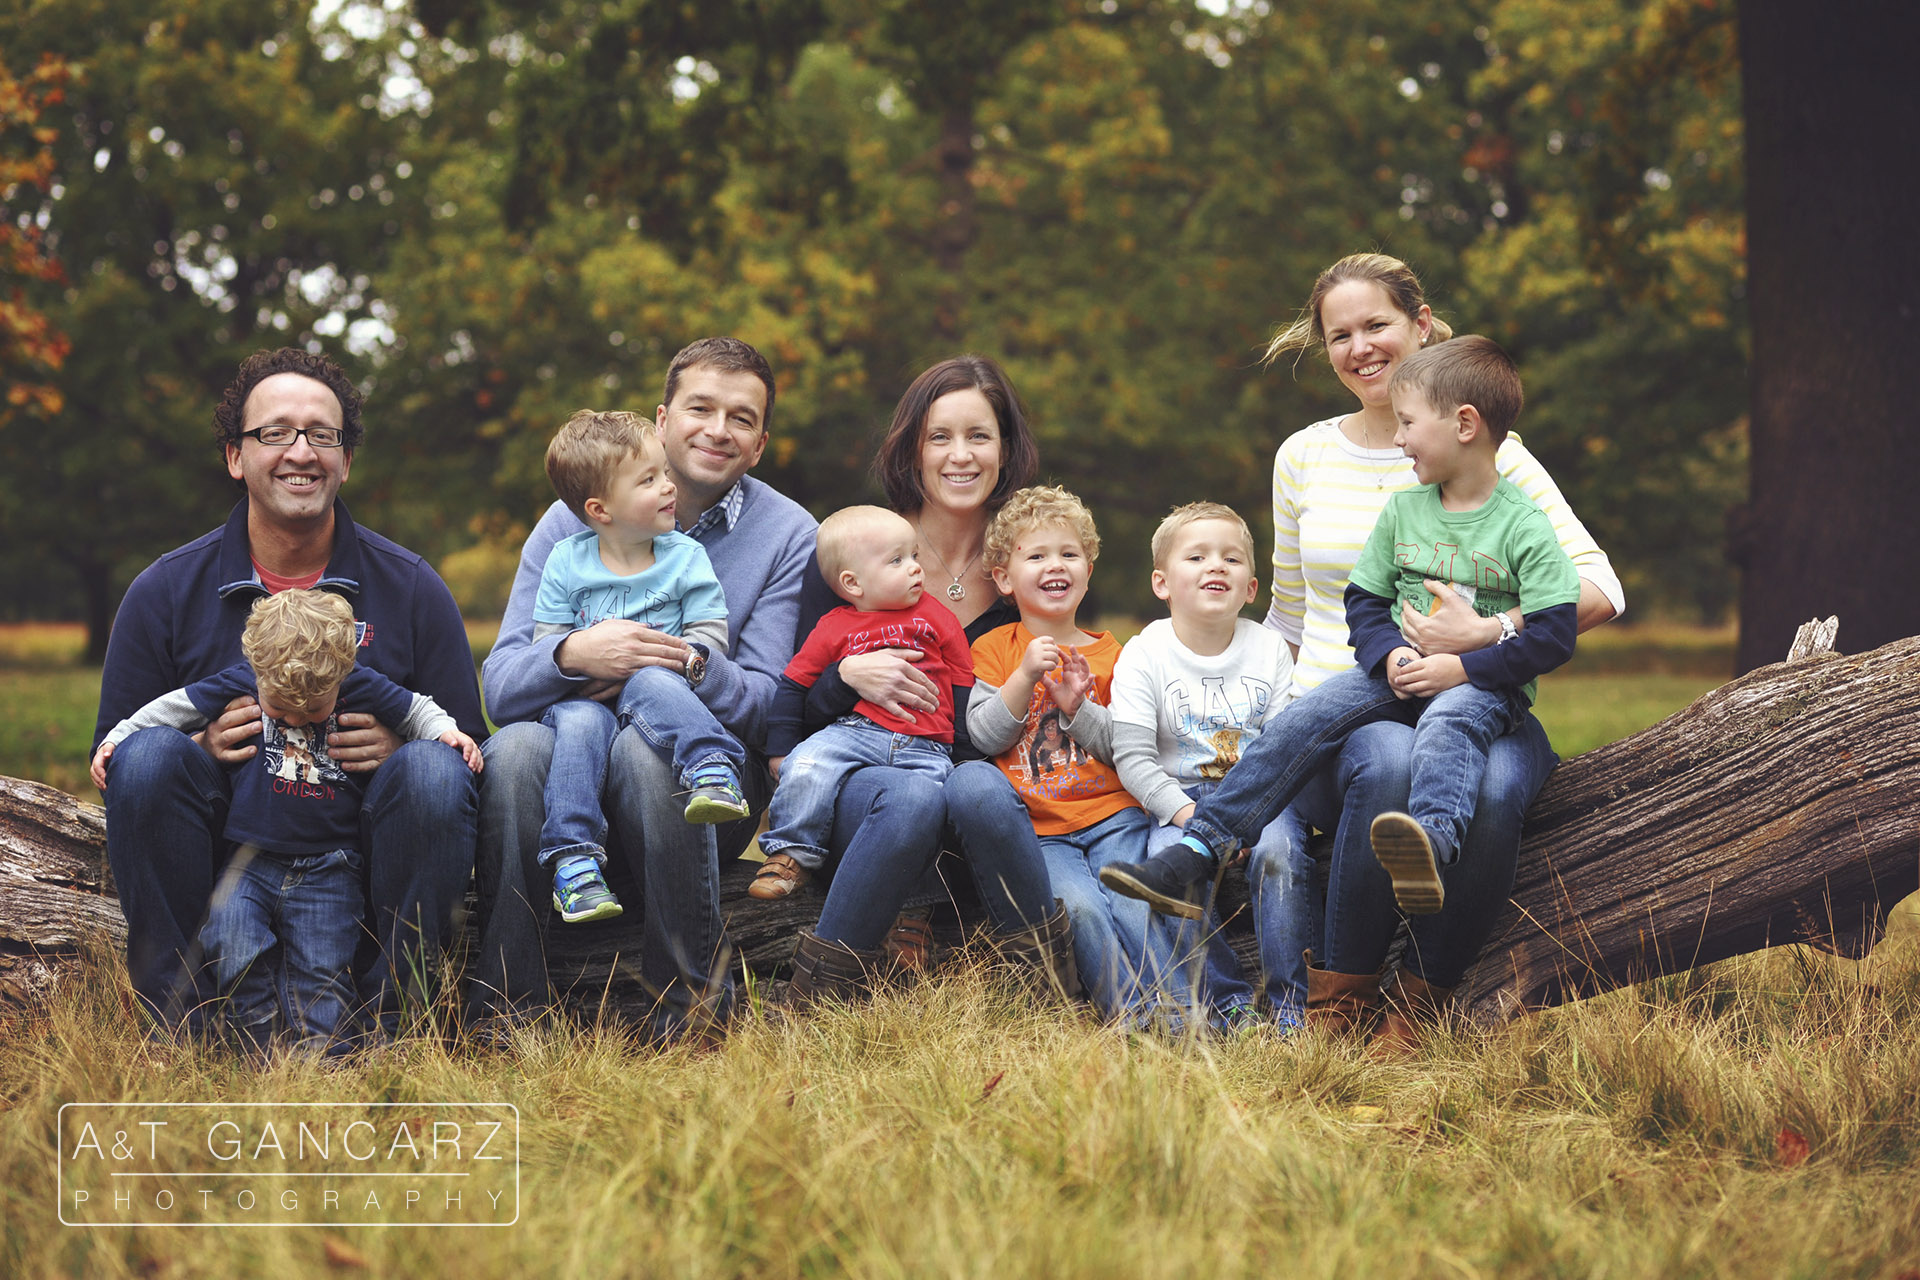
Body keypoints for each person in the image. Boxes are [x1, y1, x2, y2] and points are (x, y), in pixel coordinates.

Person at [1119, 253, 1621, 1047]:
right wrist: (1215, 697)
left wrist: (1483, 639)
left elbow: (1598, 588)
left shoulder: (1494, 452)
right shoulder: (1305, 455)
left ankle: (1422, 1004)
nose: (1360, 347)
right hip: (1355, 698)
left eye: (1377, 325)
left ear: (1421, 326)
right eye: (1339, 334)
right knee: (1386, 754)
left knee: (1491, 789)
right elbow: (1286, 613)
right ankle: (1338, 998)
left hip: (1480, 692)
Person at [1101, 337, 1581, 923]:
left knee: (1451, 721)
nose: (1398, 438)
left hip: (1483, 686)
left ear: (1464, 425)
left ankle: (1429, 845)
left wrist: (1466, 665)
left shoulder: (1524, 526)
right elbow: (1364, 599)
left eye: (1408, 423)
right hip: (1400, 673)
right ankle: (1199, 849)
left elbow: (1555, 634)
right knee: (1305, 718)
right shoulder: (1406, 509)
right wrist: (1388, 660)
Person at [93, 347, 486, 1040]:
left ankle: (395, 1026)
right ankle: (182, 1025)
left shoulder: (412, 587)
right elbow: (119, 756)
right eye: (275, 432)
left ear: (346, 460)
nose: (301, 451)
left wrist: (401, 745)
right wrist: (201, 746)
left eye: (322, 434)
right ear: (235, 457)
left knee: (432, 771)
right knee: (152, 758)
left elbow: (467, 752)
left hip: (357, 851)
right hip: (225, 854)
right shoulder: (165, 590)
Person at [472, 338, 818, 1040]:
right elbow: (503, 687)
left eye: (742, 418)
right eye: (701, 407)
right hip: (576, 755)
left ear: (759, 446)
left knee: (645, 755)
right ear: (661, 420)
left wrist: (680, 665)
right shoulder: (575, 515)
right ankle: (507, 1005)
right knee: (513, 752)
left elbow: (766, 706)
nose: (719, 429)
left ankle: (687, 1003)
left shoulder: (789, 537)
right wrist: (576, 653)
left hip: (705, 773)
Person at [773, 355, 1081, 1006]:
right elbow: (798, 707)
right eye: (940, 436)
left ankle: (1047, 993)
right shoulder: (856, 549)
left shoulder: (1028, 564)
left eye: (979, 436)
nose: (960, 455)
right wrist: (847, 677)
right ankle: (817, 997)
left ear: (1006, 448)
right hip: (869, 780)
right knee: (911, 797)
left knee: (975, 785)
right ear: (913, 449)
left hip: (981, 788)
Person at [92, 590, 482, 1051]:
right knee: (230, 938)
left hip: (331, 867)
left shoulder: (359, 682)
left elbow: (417, 708)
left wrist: (448, 734)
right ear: (257, 670)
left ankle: (327, 1057)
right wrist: (118, 738)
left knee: (321, 964)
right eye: (280, 710)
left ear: (343, 670)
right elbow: (172, 708)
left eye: (314, 711)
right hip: (246, 862)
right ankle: (253, 1040)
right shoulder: (244, 679)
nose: (297, 717)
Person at [531, 410, 749, 926]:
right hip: (588, 697)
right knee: (578, 724)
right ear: (600, 509)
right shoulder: (565, 560)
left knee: (652, 677)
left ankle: (711, 768)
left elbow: (709, 637)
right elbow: (546, 644)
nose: (669, 487)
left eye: (664, 474)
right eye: (649, 480)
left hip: (662, 694)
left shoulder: (686, 556)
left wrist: (677, 657)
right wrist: (586, 660)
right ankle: (574, 862)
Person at [944, 487, 1148, 1022]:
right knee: (1080, 909)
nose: (1054, 565)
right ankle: (1132, 1018)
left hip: (1114, 817)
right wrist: (1024, 677)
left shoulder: (1116, 654)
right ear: (1006, 578)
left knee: (1133, 903)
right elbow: (984, 738)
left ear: (1088, 568)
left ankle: (1172, 1014)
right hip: (1043, 829)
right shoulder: (994, 650)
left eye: (1068, 553)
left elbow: (1126, 749)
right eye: (1036, 555)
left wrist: (1078, 707)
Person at [1108, 503, 1299, 1031]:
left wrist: (1246, 822)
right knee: (1168, 868)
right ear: (1162, 583)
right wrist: (1186, 815)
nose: (1217, 566)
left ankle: (1290, 1005)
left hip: (1260, 797)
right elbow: (1133, 756)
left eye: (1231, 558)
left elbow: (1282, 749)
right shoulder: (1144, 654)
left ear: (1252, 587)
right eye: (1197, 556)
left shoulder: (1269, 649)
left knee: (1282, 855)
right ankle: (1227, 1000)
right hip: (1178, 800)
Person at [755, 507, 975, 899]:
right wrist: (781, 749)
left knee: (929, 817)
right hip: (855, 734)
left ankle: (913, 907)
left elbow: (962, 681)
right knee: (806, 765)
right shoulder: (834, 627)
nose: (914, 569)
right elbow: (794, 684)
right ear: (853, 583)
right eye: (897, 560)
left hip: (926, 743)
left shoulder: (937, 617)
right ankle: (791, 853)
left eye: (914, 556)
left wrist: (960, 747)